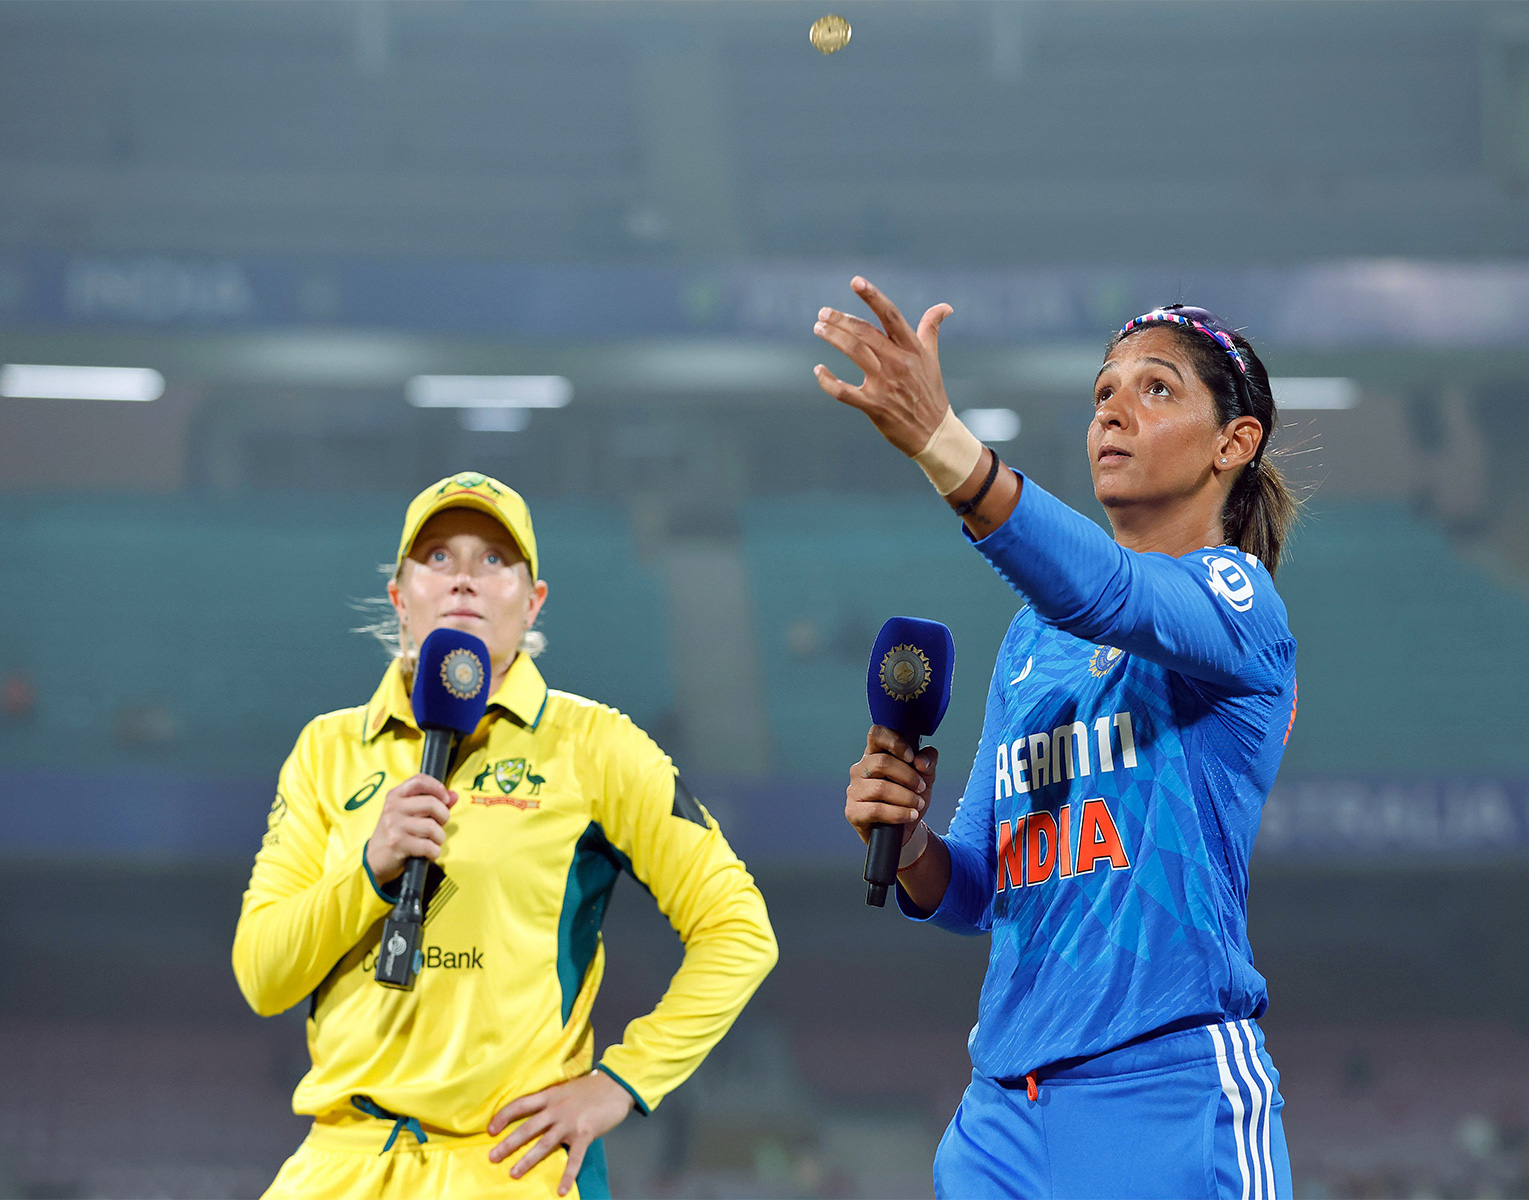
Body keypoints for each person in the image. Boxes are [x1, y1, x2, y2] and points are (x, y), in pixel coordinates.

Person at [815, 280, 1298, 1199]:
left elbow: (1114, 596)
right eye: (1102, 391)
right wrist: (911, 841)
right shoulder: (1033, 640)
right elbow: (978, 887)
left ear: (1234, 444)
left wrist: (940, 441)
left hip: (1166, 1101)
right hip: (1000, 1119)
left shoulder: (1239, 606)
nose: (1113, 407)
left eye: (1155, 389)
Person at [233, 471, 778, 1199]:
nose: (463, 580)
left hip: (510, 1168)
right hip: (339, 1166)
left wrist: (621, 1083)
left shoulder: (597, 747)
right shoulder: (326, 750)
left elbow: (739, 932)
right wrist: (370, 866)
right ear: (400, 597)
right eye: (437, 558)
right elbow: (263, 976)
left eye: (493, 559)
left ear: (532, 602)